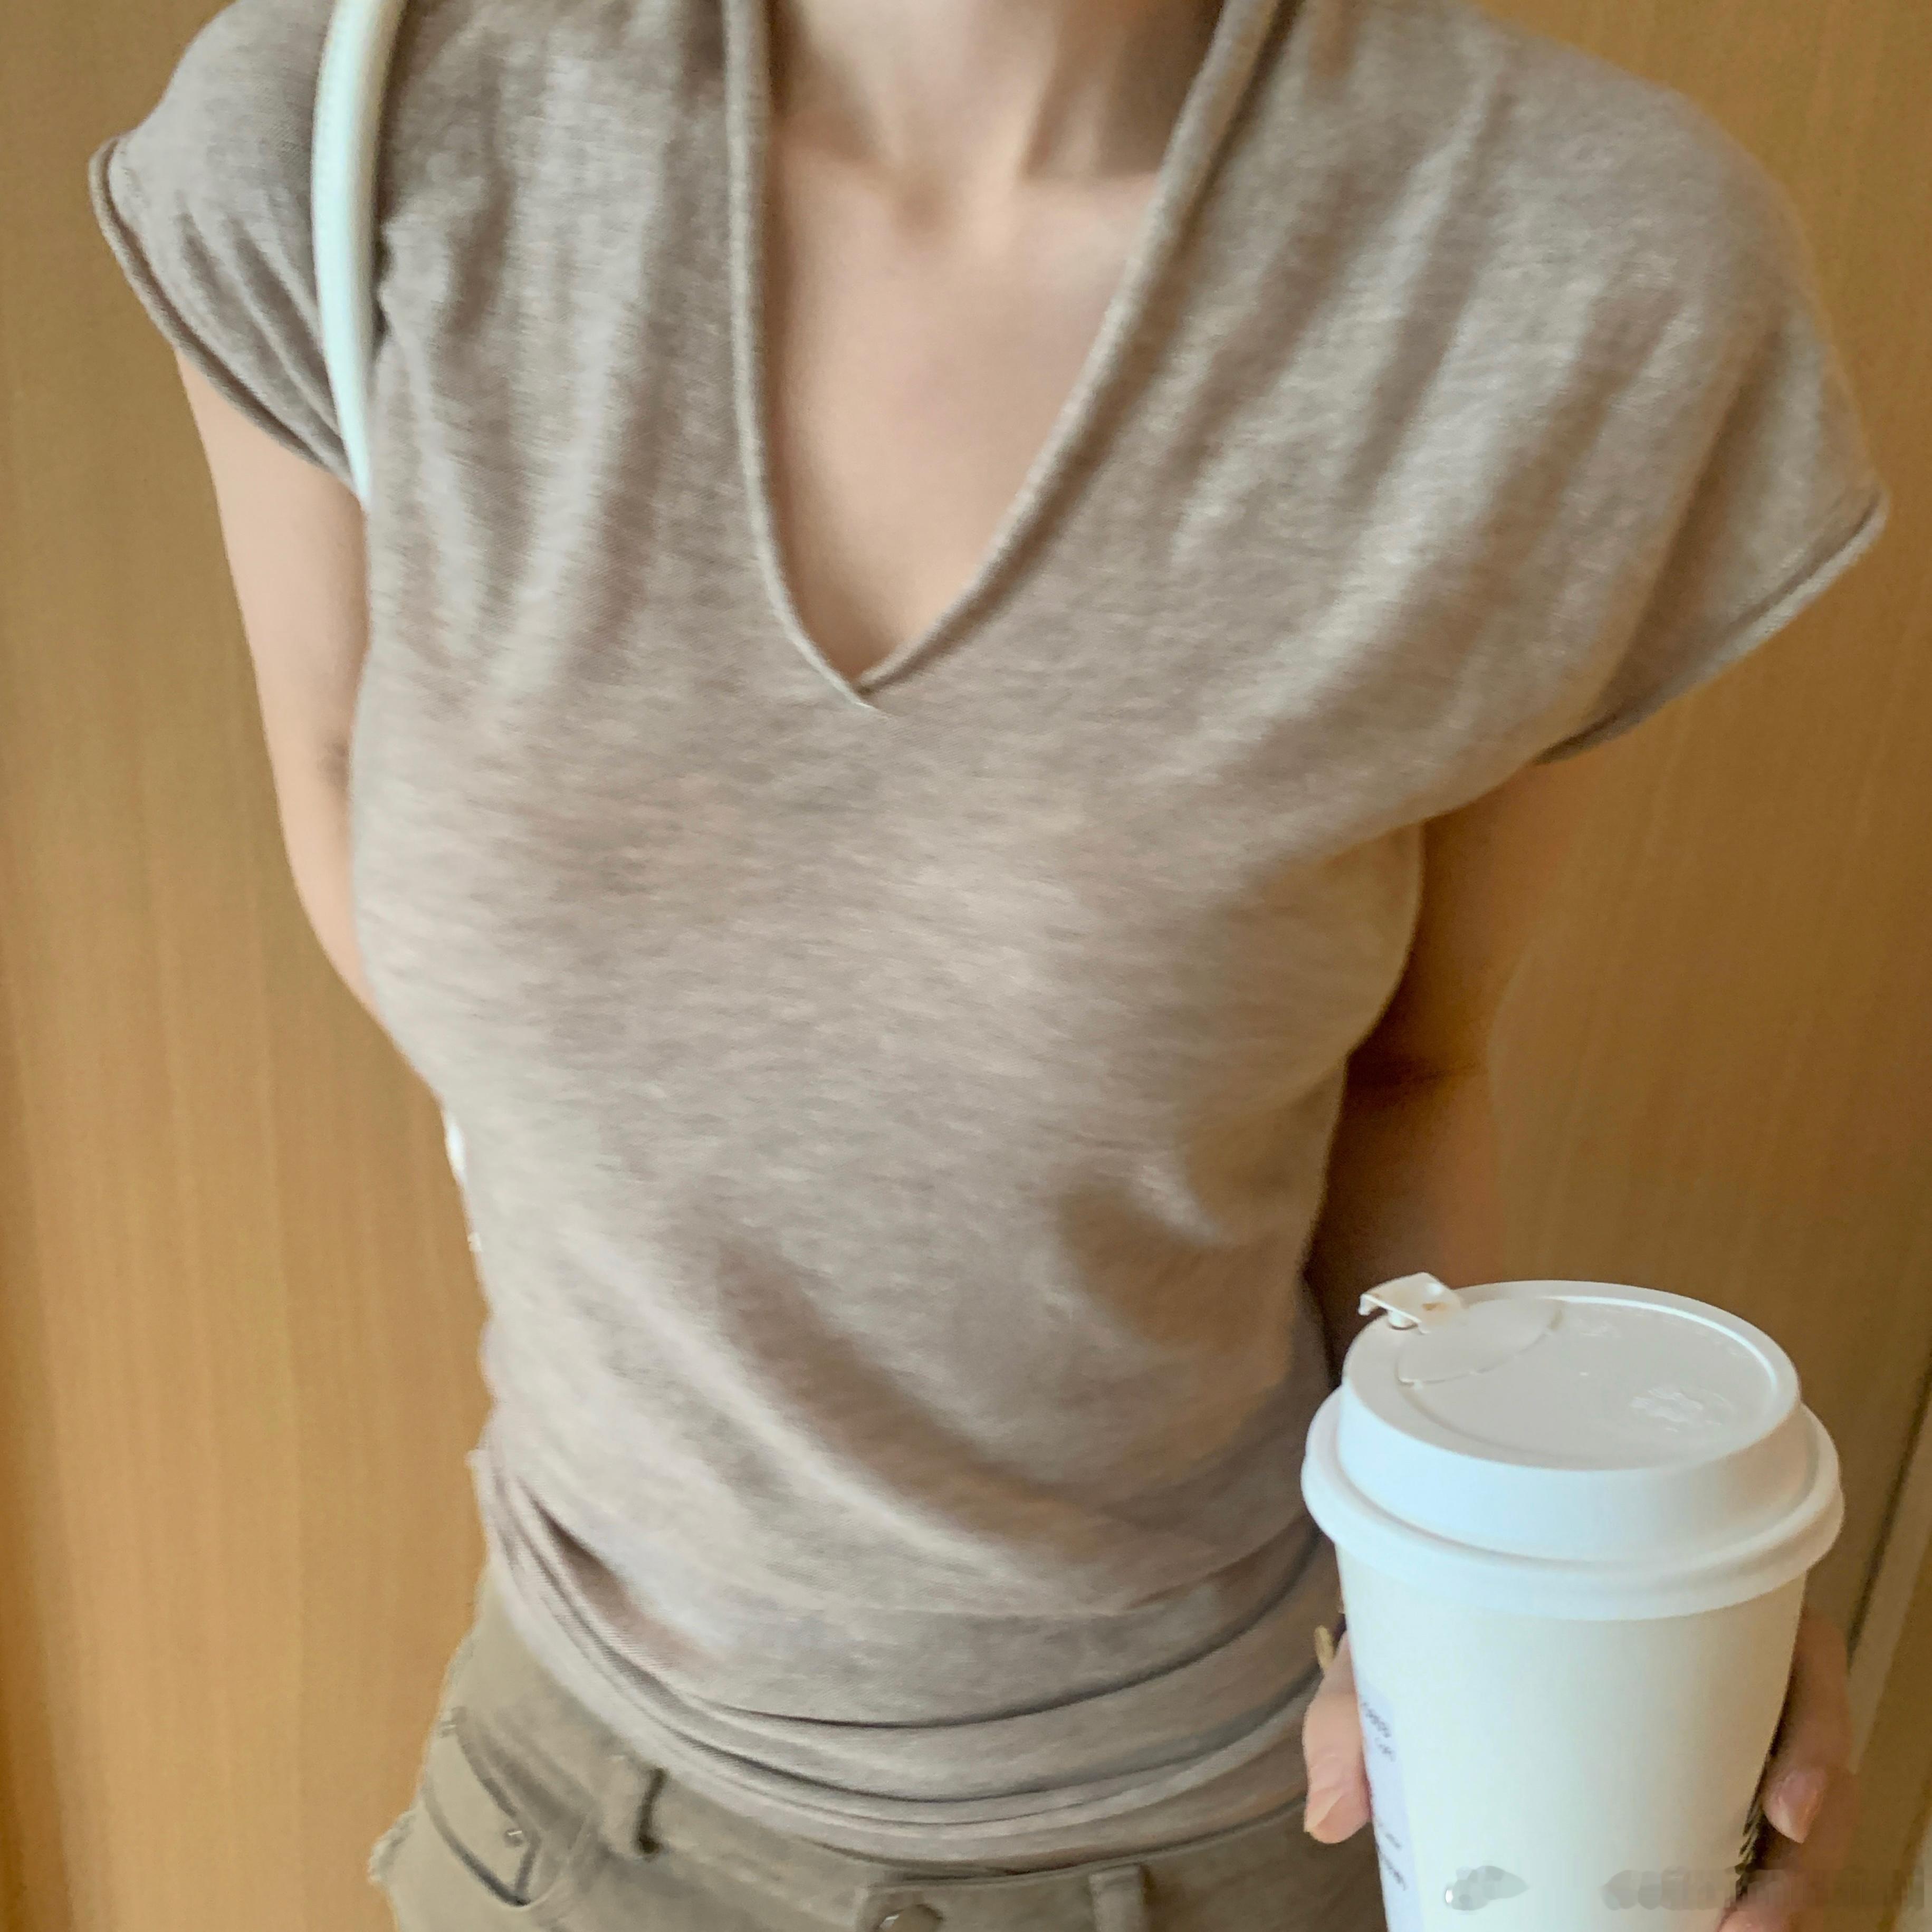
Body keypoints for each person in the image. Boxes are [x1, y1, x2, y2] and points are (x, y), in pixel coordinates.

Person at [89, 0, 1887, 1925]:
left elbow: (1412, 1068)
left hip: (1245, 1809)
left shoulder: (1578, 271)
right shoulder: (351, 130)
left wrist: (1550, 1575)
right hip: (575, 1811)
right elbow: (344, 777)